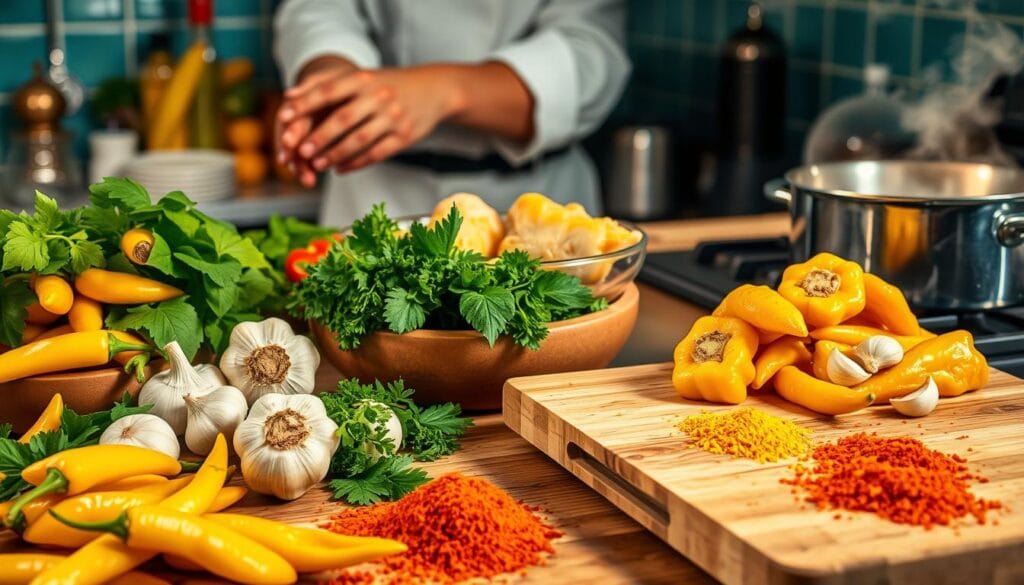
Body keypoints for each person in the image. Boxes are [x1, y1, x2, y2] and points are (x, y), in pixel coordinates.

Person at [273, 0, 630, 225]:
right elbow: (317, 10)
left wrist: (443, 90)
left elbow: (590, 52)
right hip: (373, 196)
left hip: (540, 197)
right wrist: (330, 83)